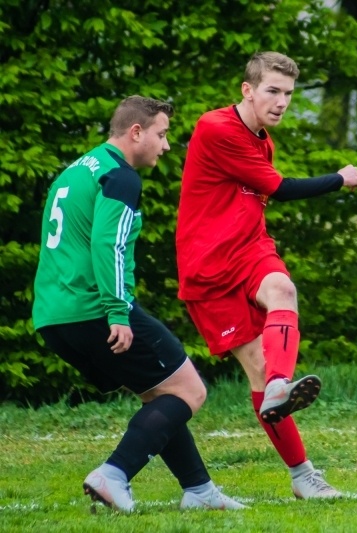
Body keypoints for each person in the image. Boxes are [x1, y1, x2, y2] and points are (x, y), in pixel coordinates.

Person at [32, 96, 246, 513]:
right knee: (190, 390)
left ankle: (199, 490)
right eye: (161, 135)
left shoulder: (77, 170)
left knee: (160, 394)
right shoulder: (120, 176)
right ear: (136, 132)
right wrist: (117, 312)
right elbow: (107, 244)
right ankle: (113, 474)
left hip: (54, 315)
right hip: (96, 308)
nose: (166, 146)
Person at [176, 52, 357, 499]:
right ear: (248, 90)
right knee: (258, 370)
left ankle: (283, 391)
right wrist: (340, 178)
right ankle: (302, 474)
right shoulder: (216, 128)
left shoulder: (261, 138)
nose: (281, 102)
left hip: (250, 249)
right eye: (272, 91)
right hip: (210, 269)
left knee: (283, 288)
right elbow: (278, 188)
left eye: (289, 94)